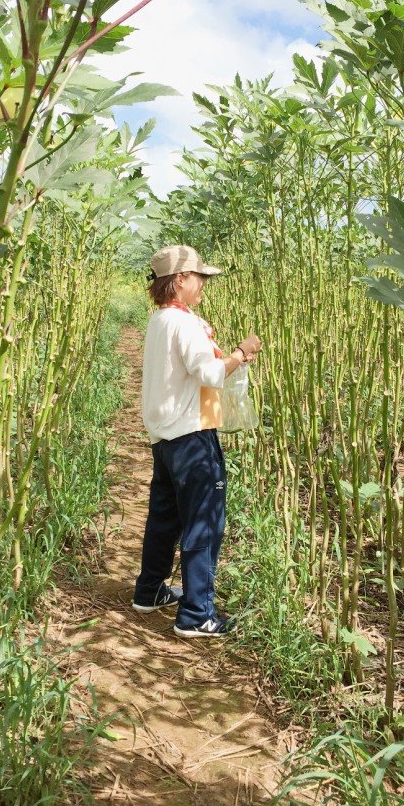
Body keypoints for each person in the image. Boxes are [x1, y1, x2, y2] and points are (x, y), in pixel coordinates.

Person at [132, 245, 262, 638]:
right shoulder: (184, 323)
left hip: (164, 438)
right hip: (192, 437)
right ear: (180, 279)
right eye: (200, 277)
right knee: (204, 523)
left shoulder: (160, 320)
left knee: (165, 518)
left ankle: (150, 590)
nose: (204, 284)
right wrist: (241, 352)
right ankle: (196, 615)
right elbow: (209, 373)